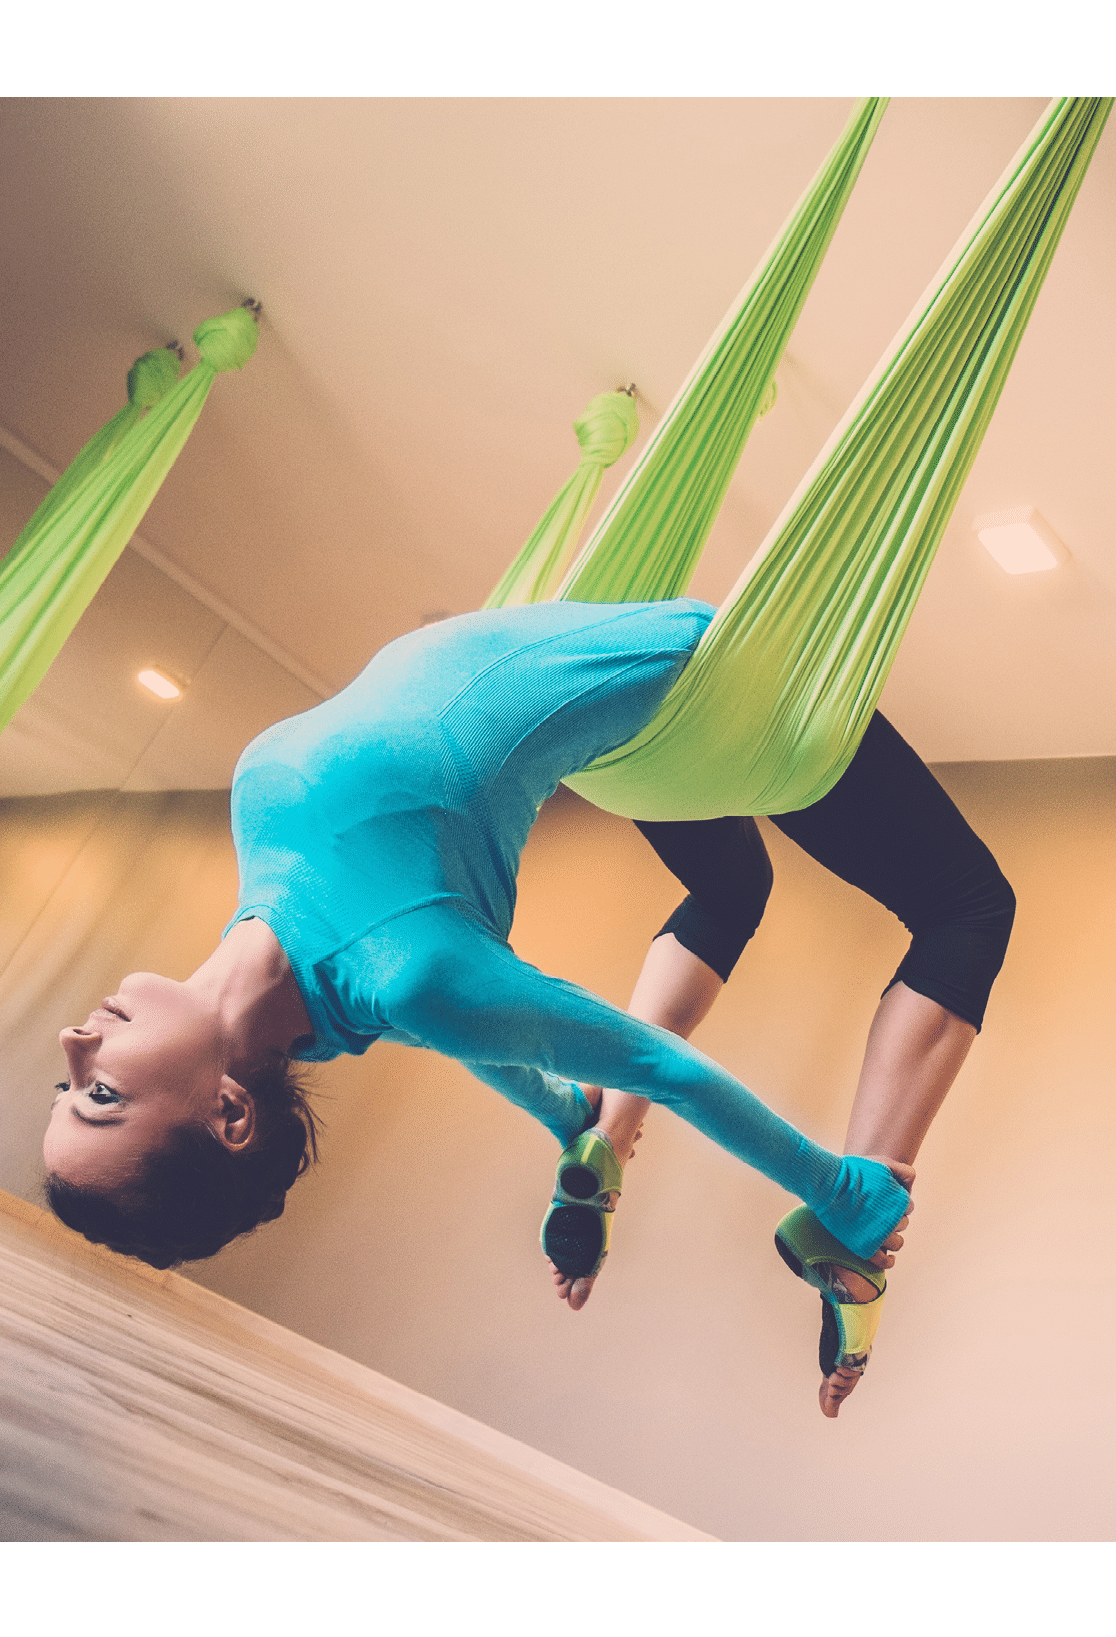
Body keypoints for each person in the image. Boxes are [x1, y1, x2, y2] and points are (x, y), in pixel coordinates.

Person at [43, 597, 913, 1299]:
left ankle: (588, 1144)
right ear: (231, 1113)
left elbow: (465, 1039)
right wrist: (838, 1188)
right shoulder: (410, 976)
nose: (75, 1042)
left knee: (736, 887)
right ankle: (808, 1211)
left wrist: (566, 1118)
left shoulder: (329, 982)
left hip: (608, 660)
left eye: (64, 1085)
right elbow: (661, 1065)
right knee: (958, 904)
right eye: (102, 1094)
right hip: (698, 673)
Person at [546, 711, 1014, 1418]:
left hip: (618, 735)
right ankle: (855, 1225)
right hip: (751, 700)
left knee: (730, 890)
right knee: (969, 908)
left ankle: (608, 1136)